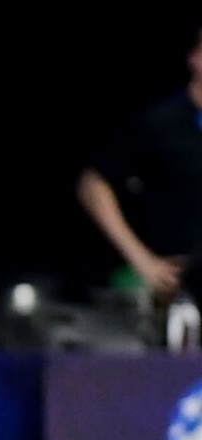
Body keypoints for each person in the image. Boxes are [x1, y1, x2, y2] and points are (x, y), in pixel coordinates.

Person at [77, 22, 202, 346]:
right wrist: (143, 260)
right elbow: (93, 185)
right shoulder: (160, 123)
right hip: (177, 290)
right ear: (194, 58)